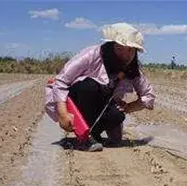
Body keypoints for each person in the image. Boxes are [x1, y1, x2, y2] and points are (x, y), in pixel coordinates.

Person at [45, 22, 155, 151]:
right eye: (119, 48)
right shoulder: (91, 54)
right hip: (78, 99)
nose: (125, 55)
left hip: (103, 105)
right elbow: (61, 81)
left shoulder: (132, 68)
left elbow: (148, 96)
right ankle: (85, 137)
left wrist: (128, 107)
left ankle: (94, 133)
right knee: (89, 86)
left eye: (131, 50)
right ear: (110, 46)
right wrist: (63, 114)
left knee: (117, 115)